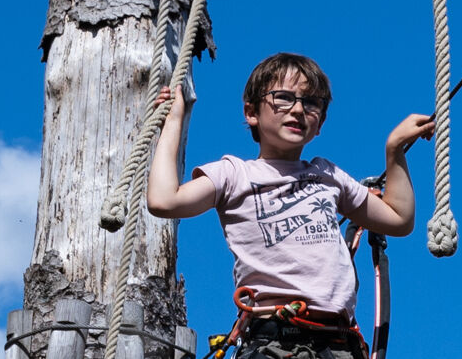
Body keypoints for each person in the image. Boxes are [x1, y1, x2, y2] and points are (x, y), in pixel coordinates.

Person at [147, 52, 435, 359]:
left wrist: (395, 151)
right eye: (283, 98)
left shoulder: (327, 174)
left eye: (311, 103)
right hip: (274, 340)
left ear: (320, 122)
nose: (298, 109)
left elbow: (399, 219)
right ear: (251, 112)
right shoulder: (234, 173)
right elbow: (165, 200)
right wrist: (173, 122)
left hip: (336, 345)